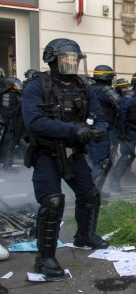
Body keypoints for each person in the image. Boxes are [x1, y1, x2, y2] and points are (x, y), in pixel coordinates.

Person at [21, 38, 108, 278]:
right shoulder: (36, 86)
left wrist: (99, 130)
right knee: (52, 203)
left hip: (73, 152)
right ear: (52, 60)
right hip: (46, 153)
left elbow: (97, 115)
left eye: (74, 59)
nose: (71, 63)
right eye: (66, 59)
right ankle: (44, 259)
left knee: (90, 195)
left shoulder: (83, 87)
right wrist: (73, 130)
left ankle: (84, 235)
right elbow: (35, 122)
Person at [88, 65, 121, 193]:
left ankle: (91, 191)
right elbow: (121, 103)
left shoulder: (88, 88)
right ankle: (94, 193)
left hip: (88, 129)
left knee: (93, 161)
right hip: (101, 129)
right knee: (102, 163)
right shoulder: (106, 89)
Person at [0, 77, 25, 173]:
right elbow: (6, 112)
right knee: (9, 143)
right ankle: (7, 166)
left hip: (19, 123)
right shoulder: (7, 95)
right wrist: (18, 110)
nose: (18, 85)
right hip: (11, 124)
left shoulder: (18, 95)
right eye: (15, 84)